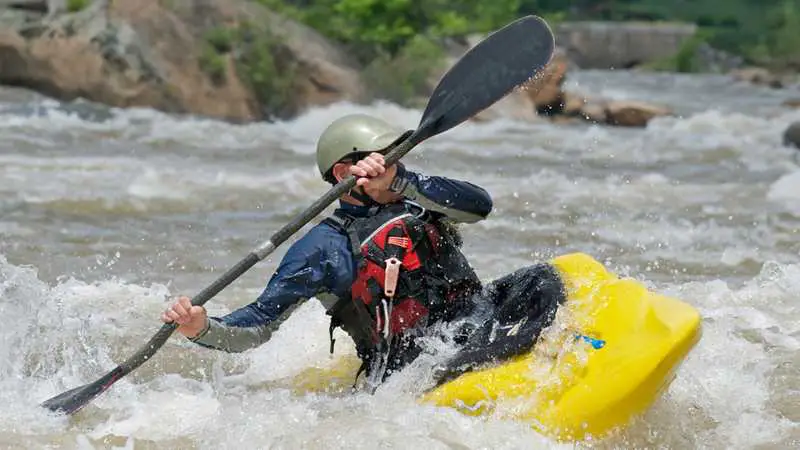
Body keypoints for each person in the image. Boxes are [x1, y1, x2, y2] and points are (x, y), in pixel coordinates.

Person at [162, 113, 565, 390]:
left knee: (543, 278)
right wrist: (202, 327)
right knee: (455, 352)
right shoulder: (322, 249)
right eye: (386, 156)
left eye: (396, 156)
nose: (396, 163)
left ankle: (533, 346)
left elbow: (480, 206)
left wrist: (402, 180)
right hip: (415, 363)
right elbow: (261, 324)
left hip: (474, 317)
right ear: (344, 173)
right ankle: (524, 357)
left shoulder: (417, 198)